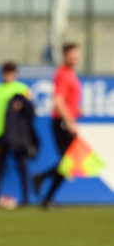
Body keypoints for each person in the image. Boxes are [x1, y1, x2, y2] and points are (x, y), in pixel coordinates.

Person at [33, 42, 81, 209]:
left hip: (65, 121)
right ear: (65, 55)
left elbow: (67, 101)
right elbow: (58, 101)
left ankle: (46, 194)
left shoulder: (70, 74)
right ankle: (43, 184)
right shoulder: (63, 74)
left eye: (77, 54)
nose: (75, 57)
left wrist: (76, 112)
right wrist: (70, 121)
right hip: (61, 123)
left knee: (67, 163)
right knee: (68, 162)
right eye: (72, 54)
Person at [0, 61, 35, 207]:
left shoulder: (22, 89)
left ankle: (26, 198)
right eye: (6, 73)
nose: (8, 76)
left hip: (17, 135)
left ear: (15, 74)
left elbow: (31, 112)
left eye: (11, 73)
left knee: (21, 166)